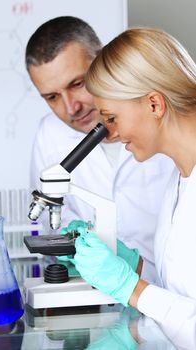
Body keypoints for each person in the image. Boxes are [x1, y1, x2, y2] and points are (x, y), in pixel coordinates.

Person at [72, 27, 196, 348]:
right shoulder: (179, 178)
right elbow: (181, 290)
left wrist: (131, 288)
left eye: (112, 118)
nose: (109, 134)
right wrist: (131, 264)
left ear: (154, 104)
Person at [25, 16, 174, 283]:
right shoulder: (49, 133)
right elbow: (53, 222)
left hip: (173, 291)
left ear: (103, 60)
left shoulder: (159, 119)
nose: (71, 108)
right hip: (100, 294)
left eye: (77, 84)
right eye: (52, 97)